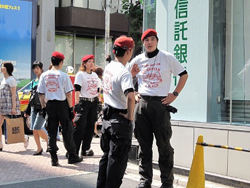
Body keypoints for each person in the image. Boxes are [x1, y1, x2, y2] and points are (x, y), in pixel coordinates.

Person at [127, 29, 188, 188]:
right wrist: (134, 91)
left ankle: (167, 182)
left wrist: (175, 94)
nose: (149, 42)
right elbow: (126, 79)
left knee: (164, 145)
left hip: (161, 105)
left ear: (157, 41)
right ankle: (144, 181)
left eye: (152, 39)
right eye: (146, 40)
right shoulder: (138, 60)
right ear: (143, 42)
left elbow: (184, 74)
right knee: (144, 146)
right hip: (142, 106)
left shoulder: (167, 57)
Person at [96, 35, 135, 188]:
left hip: (107, 119)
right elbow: (131, 97)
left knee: (106, 158)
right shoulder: (123, 72)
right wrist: (130, 115)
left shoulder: (109, 68)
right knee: (117, 163)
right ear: (129, 51)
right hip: (119, 121)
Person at [37, 51, 83, 166]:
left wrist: (43, 108)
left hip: (50, 105)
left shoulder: (44, 75)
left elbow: (41, 94)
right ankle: (72, 155)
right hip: (62, 105)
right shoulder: (63, 75)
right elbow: (68, 94)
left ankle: (54, 158)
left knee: (52, 132)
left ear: (51, 61)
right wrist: (71, 108)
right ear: (61, 62)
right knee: (67, 130)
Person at [73, 55, 100, 157]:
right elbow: (77, 90)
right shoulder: (80, 74)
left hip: (93, 102)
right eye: (89, 61)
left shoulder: (95, 75)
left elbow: (98, 90)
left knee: (90, 127)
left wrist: (99, 103)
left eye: (92, 61)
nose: (91, 63)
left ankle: (85, 149)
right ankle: (74, 150)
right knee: (80, 127)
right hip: (84, 102)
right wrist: (77, 103)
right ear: (84, 64)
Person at [0, 62, 29, 151]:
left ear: (7, 68)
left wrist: (13, 107)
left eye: (3, 66)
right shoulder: (3, 80)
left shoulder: (11, 80)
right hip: (2, 105)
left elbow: (13, 95)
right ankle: (0, 144)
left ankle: (24, 138)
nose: (1, 68)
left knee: (14, 125)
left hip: (9, 106)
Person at [25, 61, 48, 155]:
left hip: (42, 107)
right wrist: (28, 110)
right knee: (33, 128)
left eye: (37, 68)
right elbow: (31, 97)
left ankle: (49, 142)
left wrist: (45, 106)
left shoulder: (44, 80)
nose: (35, 70)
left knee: (37, 127)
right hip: (33, 107)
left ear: (41, 69)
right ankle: (39, 148)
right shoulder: (33, 82)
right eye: (34, 68)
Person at [93, 66, 104, 138]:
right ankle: (95, 131)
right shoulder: (99, 80)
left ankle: (94, 131)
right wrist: (100, 99)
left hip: (90, 98)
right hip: (96, 99)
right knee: (95, 116)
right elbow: (98, 91)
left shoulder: (92, 78)